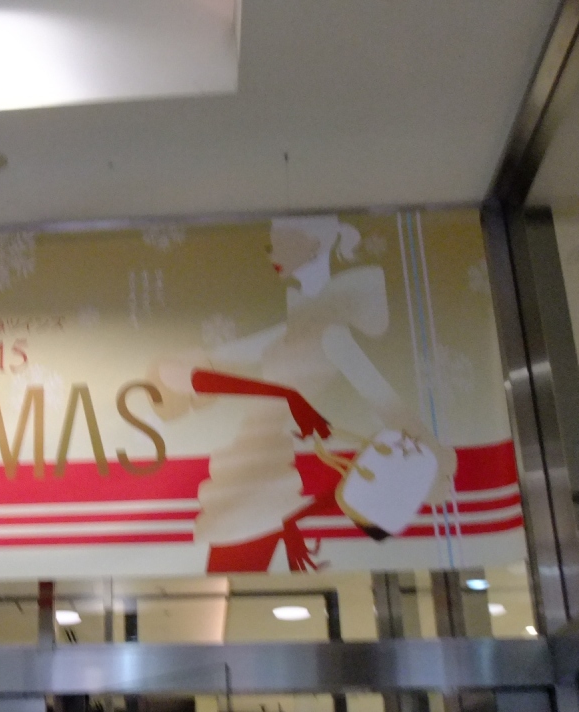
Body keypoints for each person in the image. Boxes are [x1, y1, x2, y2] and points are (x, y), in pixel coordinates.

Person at [150, 215, 457, 572]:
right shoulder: (298, 324)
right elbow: (212, 370)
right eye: (271, 244)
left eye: (283, 242)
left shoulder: (331, 334)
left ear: (315, 245)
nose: (272, 253)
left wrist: (427, 453)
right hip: (254, 462)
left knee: (233, 567)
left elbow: (382, 398)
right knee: (233, 567)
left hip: (263, 467)